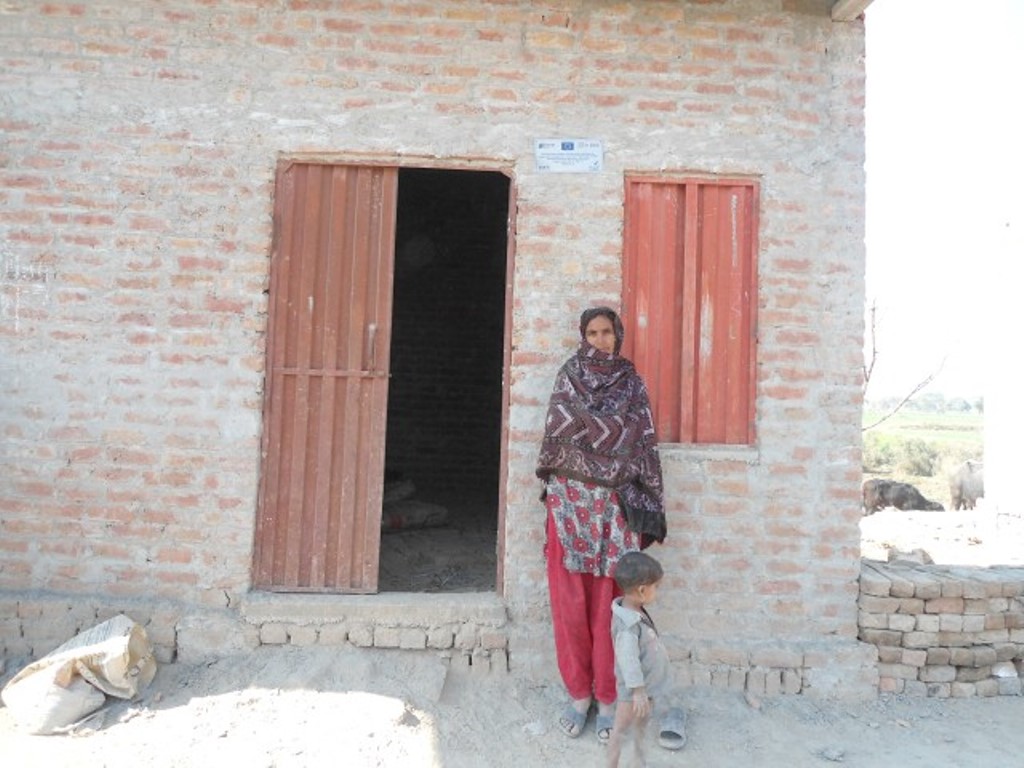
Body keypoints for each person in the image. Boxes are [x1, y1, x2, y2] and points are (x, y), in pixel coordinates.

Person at [536, 306, 667, 745]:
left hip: (613, 508)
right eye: (592, 333)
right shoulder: (568, 376)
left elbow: (642, 444)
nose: (600, 340)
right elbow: (556, 438)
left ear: (618, 334)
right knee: (570, 605)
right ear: (582, 335)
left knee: (611, 607)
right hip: (571, 505)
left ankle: (608, 699)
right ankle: (579, 696)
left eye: (606, 332)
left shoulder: (631, 383)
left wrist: (638, 496)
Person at [607, 551, 686, 767]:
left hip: (645, 689)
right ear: (642, 590)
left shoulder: (635, 610)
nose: (657, 591)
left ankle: (637, 759)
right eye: (656, 587)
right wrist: (638, 691)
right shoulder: (628, 626)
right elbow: (628, 661)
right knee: (621, 729)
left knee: (639, 726)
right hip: (633, 693)